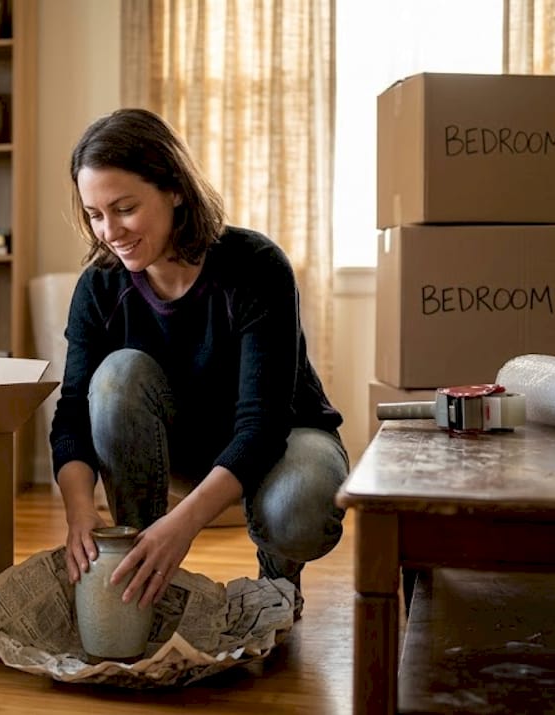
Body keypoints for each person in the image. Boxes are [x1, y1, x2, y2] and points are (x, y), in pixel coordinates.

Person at [49, 108, 349, 611]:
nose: (110, 231)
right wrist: (80, 513)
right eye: (95, 215)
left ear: (175, 189)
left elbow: (261, 426)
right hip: (181, 446)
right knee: (116, 375)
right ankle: (142, 567)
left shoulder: (255, 265)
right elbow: (74, 413)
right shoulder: (100, 286)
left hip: (282, 440)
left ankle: (277, 582)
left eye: (124, 208)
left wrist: (183, 526)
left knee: (298, 510)